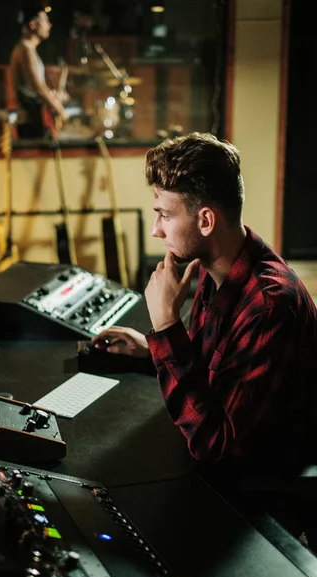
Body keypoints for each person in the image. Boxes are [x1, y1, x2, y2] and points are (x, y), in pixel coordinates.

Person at [92, 132, 317, 487]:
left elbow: (214, 443)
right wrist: (150, 347)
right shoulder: (219, 266)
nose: (156, 230)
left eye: (165, 215)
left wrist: (166, 325)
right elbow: (216, 367)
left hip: (256, 489)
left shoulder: (269, 305)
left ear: (206, 221)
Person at [10, 5, 70, 139]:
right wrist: (60, 110)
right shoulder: (25, 50)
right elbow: (38, 88)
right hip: (30, 119)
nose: (49, 25)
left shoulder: (28, 49)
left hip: (34, 116)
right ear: (33, 24)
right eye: (45, 21)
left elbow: (33, 88)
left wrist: (54, 95)